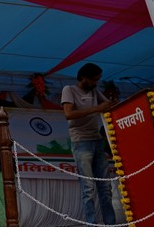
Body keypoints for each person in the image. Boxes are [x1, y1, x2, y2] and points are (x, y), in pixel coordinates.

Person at [61, 62, 116, 225]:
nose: (96, 83)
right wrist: (96, 109)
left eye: (98, 80)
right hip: (81, 141)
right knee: (88, 188)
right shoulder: (69, 90)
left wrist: (112, 102)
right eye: (93, 80)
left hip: (97, 141)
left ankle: (111, 224)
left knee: (105, 187)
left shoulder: (95, 91)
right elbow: (68, 114)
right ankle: (92, 224)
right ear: (83, 78)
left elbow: (108, 107)